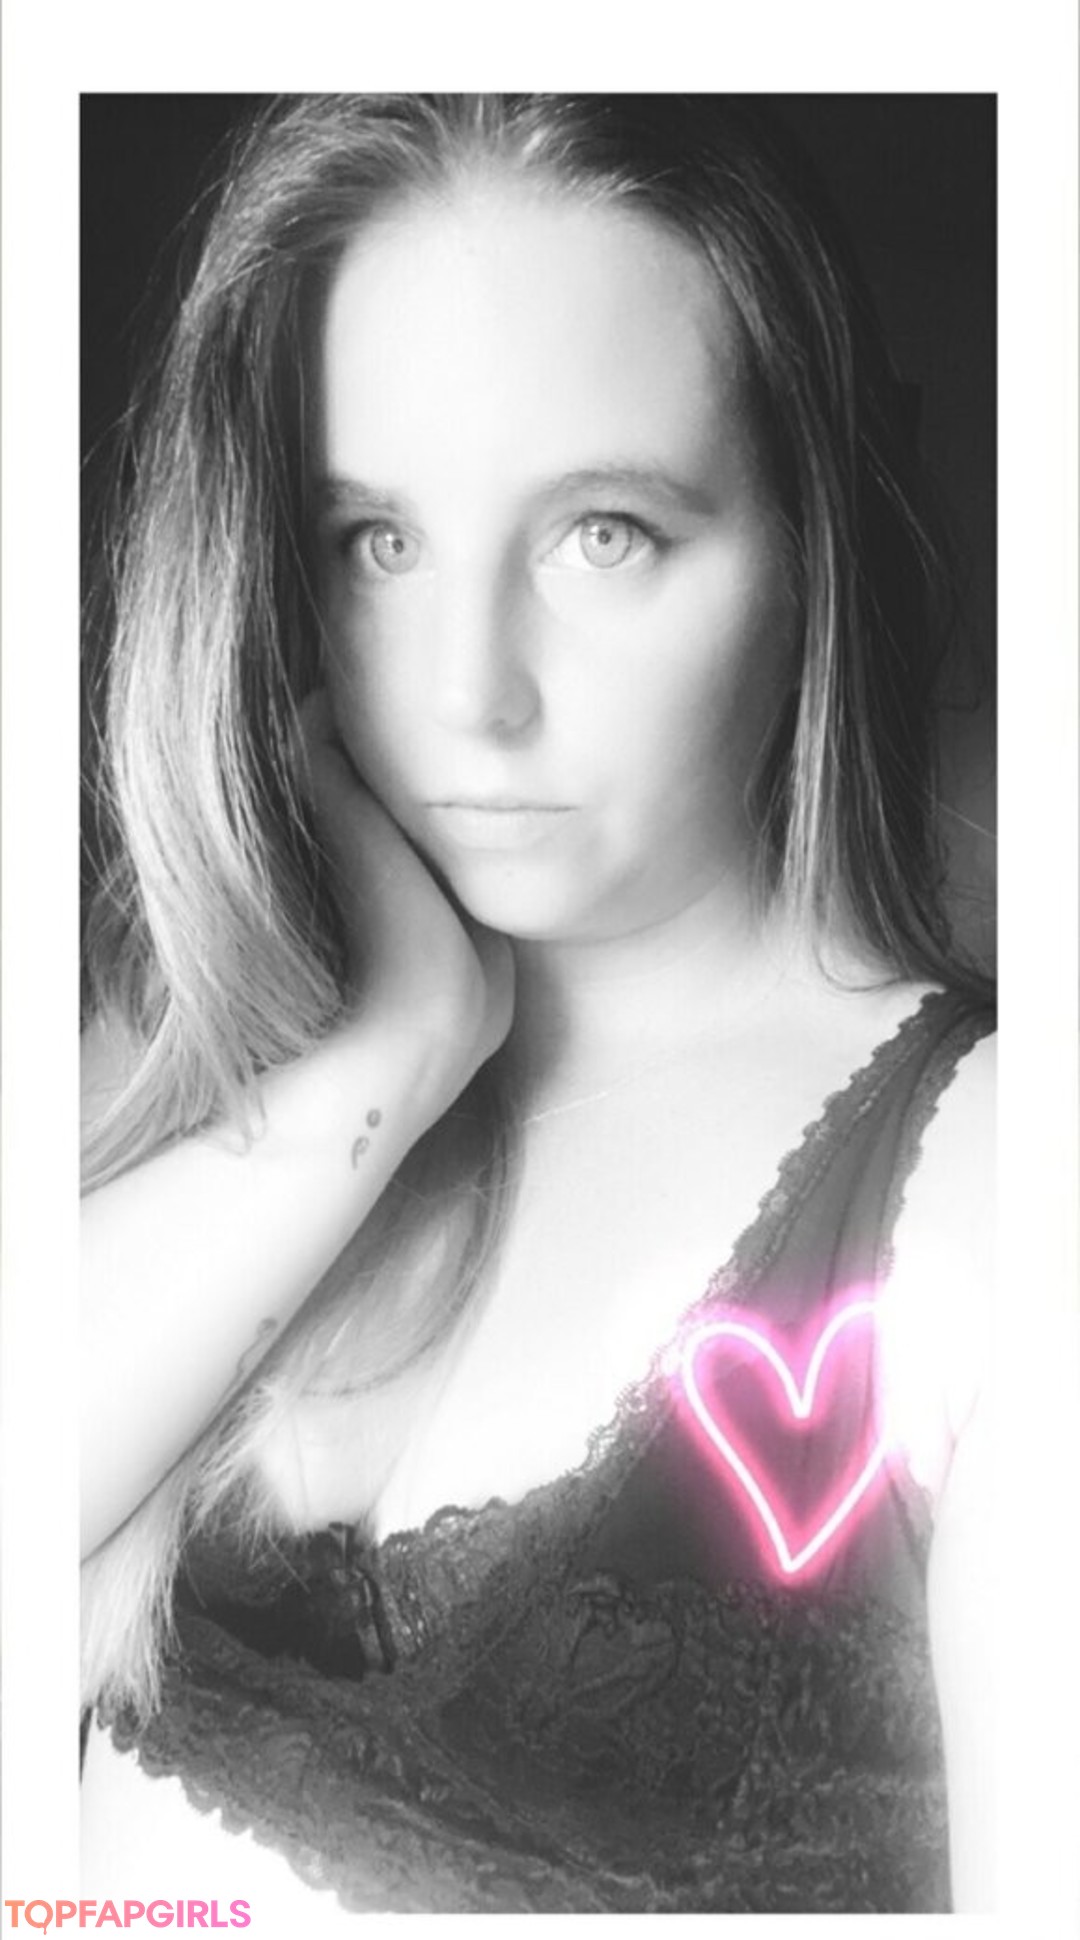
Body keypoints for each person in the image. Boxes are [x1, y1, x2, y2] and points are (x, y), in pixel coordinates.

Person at [79, 93, 996, 1917]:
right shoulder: (197, 1068)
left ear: (810, 539)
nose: (467, 694)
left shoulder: (995, 1189)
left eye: (603, 534)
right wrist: (382, 1065)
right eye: (376, 542)